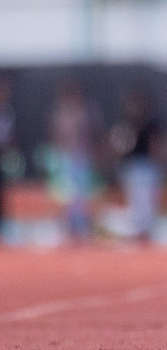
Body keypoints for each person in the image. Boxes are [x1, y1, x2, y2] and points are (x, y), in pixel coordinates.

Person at [109, 88, 167, 243]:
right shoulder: (127, 124)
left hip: (147, 167)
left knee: (147, 202)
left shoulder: (151, 124)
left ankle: (145, 232)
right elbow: (119, 147)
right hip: (131, 167)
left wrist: (161, 163)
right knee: (136, 202)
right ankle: (139, 232)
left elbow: (157, 145)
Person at [49, 80, 102, 243]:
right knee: (67, 193)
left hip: (82, 156)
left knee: (82, 193)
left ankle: (82, 227)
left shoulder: (85, 112)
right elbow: (56, 135)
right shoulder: (59, 113)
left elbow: (93, 133)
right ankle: (69, 227)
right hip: (66, 157)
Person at [0, 77, 16, 244]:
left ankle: (3, 228)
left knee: (3, 192)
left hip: (2, 153)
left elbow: (9, 135)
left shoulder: (7, 112)